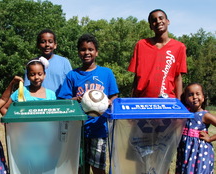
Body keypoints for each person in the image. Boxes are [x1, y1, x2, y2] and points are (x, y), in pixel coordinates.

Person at [58, 34, 119, 174]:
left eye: (90, 49)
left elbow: (114, 95)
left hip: (99, 128)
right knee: (79, 168)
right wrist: (77, 99)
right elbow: (63, 100)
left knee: (98, 168)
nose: (87, 53)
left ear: (96, 52)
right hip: (78, 129)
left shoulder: (106, 73)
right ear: (78, 52)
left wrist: (109, 102)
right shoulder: (72, 75)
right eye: (83, 49)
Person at [128, 9, 187, 99]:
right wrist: (132, 100)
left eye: (161, 18)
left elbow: (178, 78)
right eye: (154, 20)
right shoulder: (141, 45)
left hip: (167, 100)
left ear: (167, 21)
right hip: (143, 100)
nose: (158, 21)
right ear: (151, 26)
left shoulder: (179, 47)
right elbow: (136, 78)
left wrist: (179, 104)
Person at [175, 83, 215, 173]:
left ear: (203, 97)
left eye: (198, 94)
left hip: (200, 152)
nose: (194, 97)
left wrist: (210, 138)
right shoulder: (184, 114)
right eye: (190, 94)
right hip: (185, 151)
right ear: (185, 99)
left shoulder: (205, 115)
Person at [24, 29, 72, 96]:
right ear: (38, 45)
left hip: (60, 103)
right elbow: (26, 88)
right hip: (38, 103)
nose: (47, 45)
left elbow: (71, 85)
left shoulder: (64, 62)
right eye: (43, 42)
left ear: (55, 45)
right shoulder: (32, 64)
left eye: (50, 42)